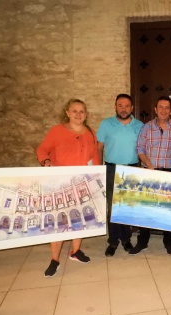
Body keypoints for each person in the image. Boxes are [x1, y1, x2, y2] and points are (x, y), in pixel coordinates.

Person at [37, 98, 100, 277]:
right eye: (75, 111)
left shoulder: (90, 133)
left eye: (82, 111)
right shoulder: (57, 131)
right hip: (60, 184)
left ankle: (75, 251)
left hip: (81, 184)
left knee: (79, 218)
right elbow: (42, 150)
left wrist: (96, 176)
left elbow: (94, 155)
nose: (78, 114)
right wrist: (46, 161)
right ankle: (55, 259)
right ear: (67, 112)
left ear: (86, 114)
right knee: (59, 222)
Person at [131, 96, 171, 255]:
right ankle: (143, 242)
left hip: (169, 171)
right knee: (145, 209)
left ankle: (169, 242)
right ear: (155, 109)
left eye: (167, 107)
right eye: (160, 107)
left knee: (168, 210)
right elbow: (140, 149)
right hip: (149, 171)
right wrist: (149, 165)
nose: (163, 110)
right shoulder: (146, 128)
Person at [97, 94, 144, 257]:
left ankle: (126, 239)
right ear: (115, 107)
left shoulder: (140, 126)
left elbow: (143, 148)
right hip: (112, 168)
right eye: (120, 105)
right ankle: (113, 241)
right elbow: (99, 147)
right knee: (113, 206)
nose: (123, 109)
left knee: (127, 206)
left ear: (132, 108)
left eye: (127, 106)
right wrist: (98, 168)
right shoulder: (106, 124)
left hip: (132, 169)